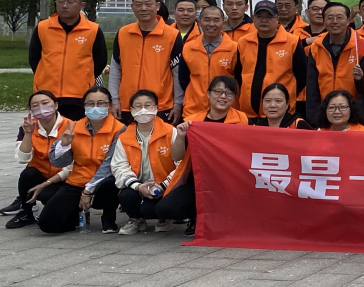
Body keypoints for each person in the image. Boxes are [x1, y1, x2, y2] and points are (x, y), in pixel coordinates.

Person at [158, 76, 247, 236]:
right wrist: (180, 136)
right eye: (218, 92)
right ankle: (196, 216)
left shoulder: (242, 120)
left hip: (227, 180)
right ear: (208, 94)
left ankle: (217, 218)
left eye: (228, 93)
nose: (223, 96)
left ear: (234, 97)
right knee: (165, 208)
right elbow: (176, 156)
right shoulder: (193, 121)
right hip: (197, 180)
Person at [43, 85, 123, 234]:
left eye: (101, 103)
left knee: (110, 183)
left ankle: (108, 218)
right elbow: (57, 162)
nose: (95, 107)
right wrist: (63, 145)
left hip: (104, 182)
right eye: (90, 103)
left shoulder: (120, 129)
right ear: (84, 106)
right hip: (77, 181)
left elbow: (109, 165)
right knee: (47, 224)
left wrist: (88, 190)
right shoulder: (74, 127)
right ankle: (74, 217)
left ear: (109, 105)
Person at [29, 0, 108, 121]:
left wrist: (84, 78)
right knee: (47, 131)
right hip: (47, 94)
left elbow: (100, 61)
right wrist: (44, 76)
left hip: (79, 95)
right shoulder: (43, 28)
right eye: (60, 1)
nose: (64, 6)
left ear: (82, 5)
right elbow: (34, 58)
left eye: (70, 2)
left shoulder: (92, 30)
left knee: (77, 132)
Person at [111, 90, 179, 234]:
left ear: (156, 108)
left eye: (148, 105)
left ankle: (164, 218)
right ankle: (136, 219)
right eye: (138, 106)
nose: (143, 110)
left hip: (165, 185)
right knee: (126, 196)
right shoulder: (124, 137)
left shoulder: (170, 132)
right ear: (131, 110)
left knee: (152, 209)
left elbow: (181, 164)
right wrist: (138, 186)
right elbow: (119, 167)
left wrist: (163, 185)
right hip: (138, 185)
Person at [110, 0, 182, 124]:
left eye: (148, 4)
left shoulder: (172, 35)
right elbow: (115, 69)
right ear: (132, 7)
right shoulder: (123, 33)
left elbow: (178, 73)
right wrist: (114, 100)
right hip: (127, 105)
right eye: (138, 4)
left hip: (159, 105)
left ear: (157, 6)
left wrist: (178, 105)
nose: (143, 8)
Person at [4, 91, 71, 227]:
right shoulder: (27, 127)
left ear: (55, 105)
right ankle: (25, 212)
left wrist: (46, 183)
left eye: (45, 103)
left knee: (48, 197)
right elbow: (22, 159)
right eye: (35, 105)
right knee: (28, 174)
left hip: (64, 177)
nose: (41, 108)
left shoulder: (71, 126)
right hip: (40, 173)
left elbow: (72, 166)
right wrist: (28, 134)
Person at [233, 0, 306, 118]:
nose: (264, 20)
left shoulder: (292, 42)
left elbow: (302, 75)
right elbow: (238, 73)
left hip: (280, 112)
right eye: (259, 16)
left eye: (269, 17)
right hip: (248, 112)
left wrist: (288, 94)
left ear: (277, 19)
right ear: (253, 18)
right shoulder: (243, 42)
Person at [304, 1, 364, 117]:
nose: (335, 21)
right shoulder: (316, 47)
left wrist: (359, 117)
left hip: (353, 114)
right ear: (324, 21)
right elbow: (312, 87)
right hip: (324, 113)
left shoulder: (363, 46)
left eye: (339, 17)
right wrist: (314, 118)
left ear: (348, 20)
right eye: (330, 18)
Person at [175, 6, 238, 122]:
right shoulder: (189, 47)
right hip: (193, 110)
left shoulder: (234, 49)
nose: (211, 24)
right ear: (199, 22)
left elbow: (239, 80)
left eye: (216, 20)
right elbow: (183, 80)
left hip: (225, 112)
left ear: (223, 23)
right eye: (207, 20)